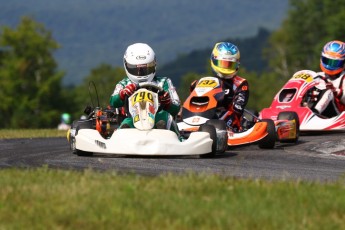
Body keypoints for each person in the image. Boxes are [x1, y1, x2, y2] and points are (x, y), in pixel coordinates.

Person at [109, 42, 181, 133]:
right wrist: (122, 94)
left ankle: (177, 139)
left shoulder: (164, 82)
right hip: (134, 119)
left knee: (164, 119)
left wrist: (168, 103)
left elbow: (176, 107)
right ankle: (122, 139)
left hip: (158, 118)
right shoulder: (124, 84)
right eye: (136, 69)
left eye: (145, 68)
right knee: (126, 124)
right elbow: (113, 102)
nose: (141, 73)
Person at [190, 42, 249, 132]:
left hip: (230, 118)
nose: (226, 68)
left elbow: (238, 108)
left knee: (229, 116)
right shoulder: (201, 82)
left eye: (230, 65)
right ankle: (189, 124)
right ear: (214, 60)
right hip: (205, 115)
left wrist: (224, 97)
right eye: (223, 63)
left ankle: (221, 130)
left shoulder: (240, 84)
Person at [312, 40, 345, 117]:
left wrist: (336, 91)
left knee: (328, 92)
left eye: (334, 63)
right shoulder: (316, 76)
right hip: (320, 116)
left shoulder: (343, 78)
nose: (329, 66)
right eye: (327, 61)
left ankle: (313, 114)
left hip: (339, 117)